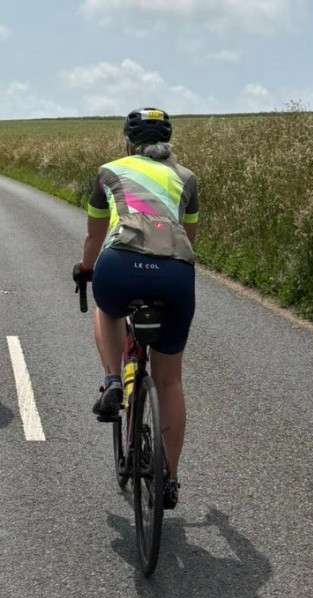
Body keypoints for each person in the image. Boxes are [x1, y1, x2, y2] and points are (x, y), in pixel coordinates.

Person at [73, 107, 200, 509]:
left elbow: (94, 237)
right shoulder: (186, 178)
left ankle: (113, 381)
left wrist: (86, 270)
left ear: (128, 143)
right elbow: (189, 236)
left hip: (120, 263)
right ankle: (170, 480)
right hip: (175, 271)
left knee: (107, 308)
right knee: (170, 381)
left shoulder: (109, 172)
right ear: (168, 143)